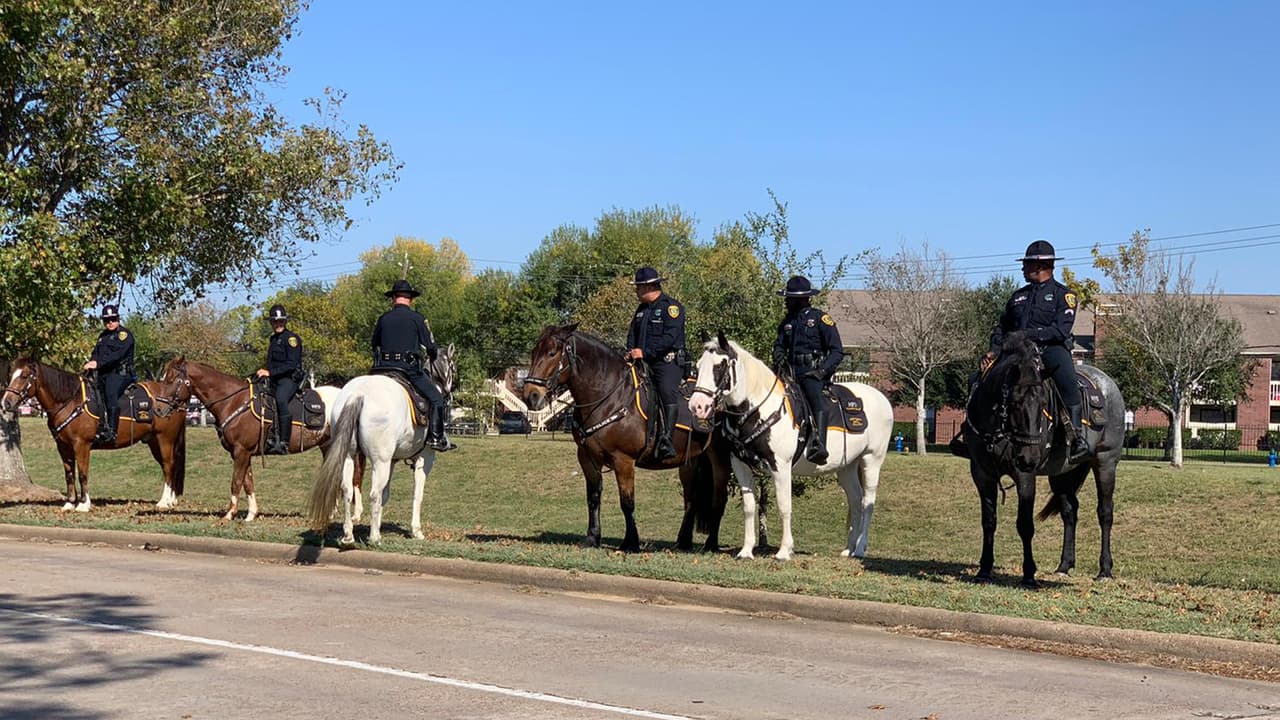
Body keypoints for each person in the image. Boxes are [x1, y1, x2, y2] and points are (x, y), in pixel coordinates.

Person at [956, 240, 1089, 463]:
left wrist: (1027, 335)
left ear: (1041, 265)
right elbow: (1002, 326)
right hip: (1015, 353)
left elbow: (1060, 330)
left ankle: (1076, 437)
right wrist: (994, 349)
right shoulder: (1018, 296)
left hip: (1050, 349)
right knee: (977, 379)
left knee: (1067, 380)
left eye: (1026, 264)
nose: (1023, 268)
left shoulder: (1064, 295)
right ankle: (973, 435)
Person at [372, 279, 455, 452]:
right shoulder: (418, 319)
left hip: (380, 369)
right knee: (436, 399)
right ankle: (436, 437)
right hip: (407, 370)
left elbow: (374, 345)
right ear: (410, 299)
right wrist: (431, 355)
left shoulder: (383, 319)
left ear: (393, 298)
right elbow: (431, 347)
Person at [771, 275, 843, 464]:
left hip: (813, 373)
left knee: (814, 397)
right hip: (791, 372)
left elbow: (837, 351)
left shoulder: (820, 319)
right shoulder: (787, 322)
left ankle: (819, 445)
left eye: (790, 298)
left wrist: (822, 371)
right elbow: (779, 345)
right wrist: (778, 355)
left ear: (802, 299)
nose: (786, 301)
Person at [625, 266, 686, 461]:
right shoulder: (641, 310)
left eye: (638, 287)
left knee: (666, 390)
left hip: (665, 362)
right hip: (641, 362)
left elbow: (670, 337)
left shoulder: (672, 308)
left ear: (649, 286)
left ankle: (666, 439)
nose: (636, 291)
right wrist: (630, 351)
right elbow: (632, 333)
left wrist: (646, 352)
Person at [83, 304, 135, 444]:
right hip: (104, 374)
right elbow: (96, 354)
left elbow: (117, 356)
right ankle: (99, 426)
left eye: (113, 319)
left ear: (118, 318)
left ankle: (112, 431)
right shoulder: (103, 336)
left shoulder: (124, 335)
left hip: (121, 374)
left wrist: (98, 364)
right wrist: (91, 363)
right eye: (107, 320)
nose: (110, 322)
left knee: (110, 392)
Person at [256, 304, 303, 455]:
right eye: (275, 322)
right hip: (275, 378)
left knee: (281, 399)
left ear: (285, 322)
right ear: (271, 323)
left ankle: (283, 442)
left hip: (289, 379)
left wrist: (269, 372)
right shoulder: (273, 339)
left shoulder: (291, 339)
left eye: (281, 321)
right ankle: (268, 437)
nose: (278, 324)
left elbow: (291, 364)